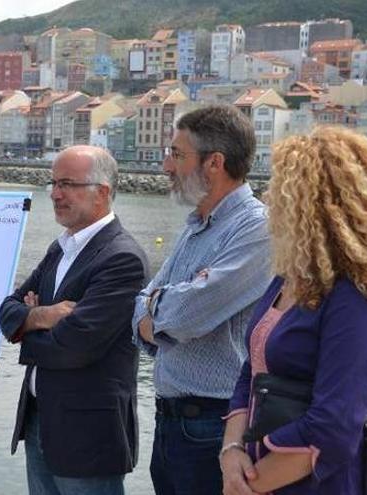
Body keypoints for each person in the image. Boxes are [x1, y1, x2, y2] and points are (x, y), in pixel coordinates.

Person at [220, 127, 367, 495]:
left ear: (314, 203)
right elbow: (252, 370)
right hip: (260, 475)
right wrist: (231, 451)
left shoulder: (362, 297)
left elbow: (334, 427)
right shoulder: (289, 277)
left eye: (280, 187)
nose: (268, 196)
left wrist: (246, 487)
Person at [132, 105, 272, 494]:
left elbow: (184, 317)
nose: (166, 166)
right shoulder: (195, 225)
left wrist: (158, 308)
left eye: (177, 154)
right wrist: (161, 305)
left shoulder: (258, 229)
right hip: (171, 423)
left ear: (215, 163)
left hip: (215, 426)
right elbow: (140, 304)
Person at [0, 145, 148, 495]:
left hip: (88, 434)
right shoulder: (62, 247)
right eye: (53, 183)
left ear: (102, 192)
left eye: (67, 184)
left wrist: (26, 328)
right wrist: (42, 316)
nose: (55, 193)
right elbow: (7, 310)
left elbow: (76, 345)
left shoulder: (121, 258)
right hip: (39, 421)